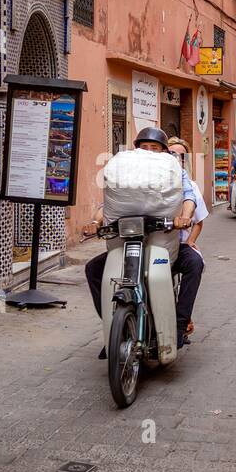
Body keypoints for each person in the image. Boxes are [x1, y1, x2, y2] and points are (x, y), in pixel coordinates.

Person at [83, 127, 197, 355]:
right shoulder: (127, 173)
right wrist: (95, 223)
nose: (149, 152)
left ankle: (179, 324)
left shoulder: (175, 171)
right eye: (144, 147)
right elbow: (109, 206)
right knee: (93, 269)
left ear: (165, 152)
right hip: (128, 241)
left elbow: (188, 196)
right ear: (136, 150)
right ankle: (114, 326)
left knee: (194, 264)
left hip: (166, 242)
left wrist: (184, 217)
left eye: (154, 148)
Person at [167, 137, 207, 341]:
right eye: (170, 153)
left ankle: (181, 324)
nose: (174, 158)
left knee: (195, 263)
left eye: (179, 155)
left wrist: (189, 240)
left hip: (177, 245)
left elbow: (198, 221)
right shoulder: (148, 180)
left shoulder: (188, 184)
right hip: (147, 243)